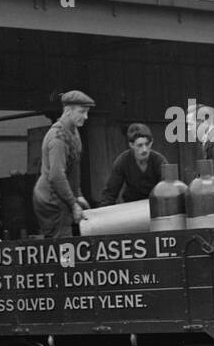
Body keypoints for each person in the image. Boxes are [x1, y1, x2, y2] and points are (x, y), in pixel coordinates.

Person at [32, 90, 94, 238]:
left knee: (66, 243)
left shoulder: (73, 131)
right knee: (63, 245)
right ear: (68, 111)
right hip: (52, 200)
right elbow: (56, 176)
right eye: (82, 112)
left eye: (87, 112)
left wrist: (78, 195)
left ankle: (67, 261)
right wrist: (73, 204)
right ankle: (66, 262)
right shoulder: (57, 138)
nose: (85, 117)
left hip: (61, 196)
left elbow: (74, 168)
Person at [100, 123, 166, 206]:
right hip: (131, 205)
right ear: (131, 145)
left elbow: (167, 189)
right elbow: (110, 192)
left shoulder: (159, 161)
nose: (144, 149)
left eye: (147, 144)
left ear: (151, 143)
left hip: (155, 205)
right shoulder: (122, 161)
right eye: (140, 145)